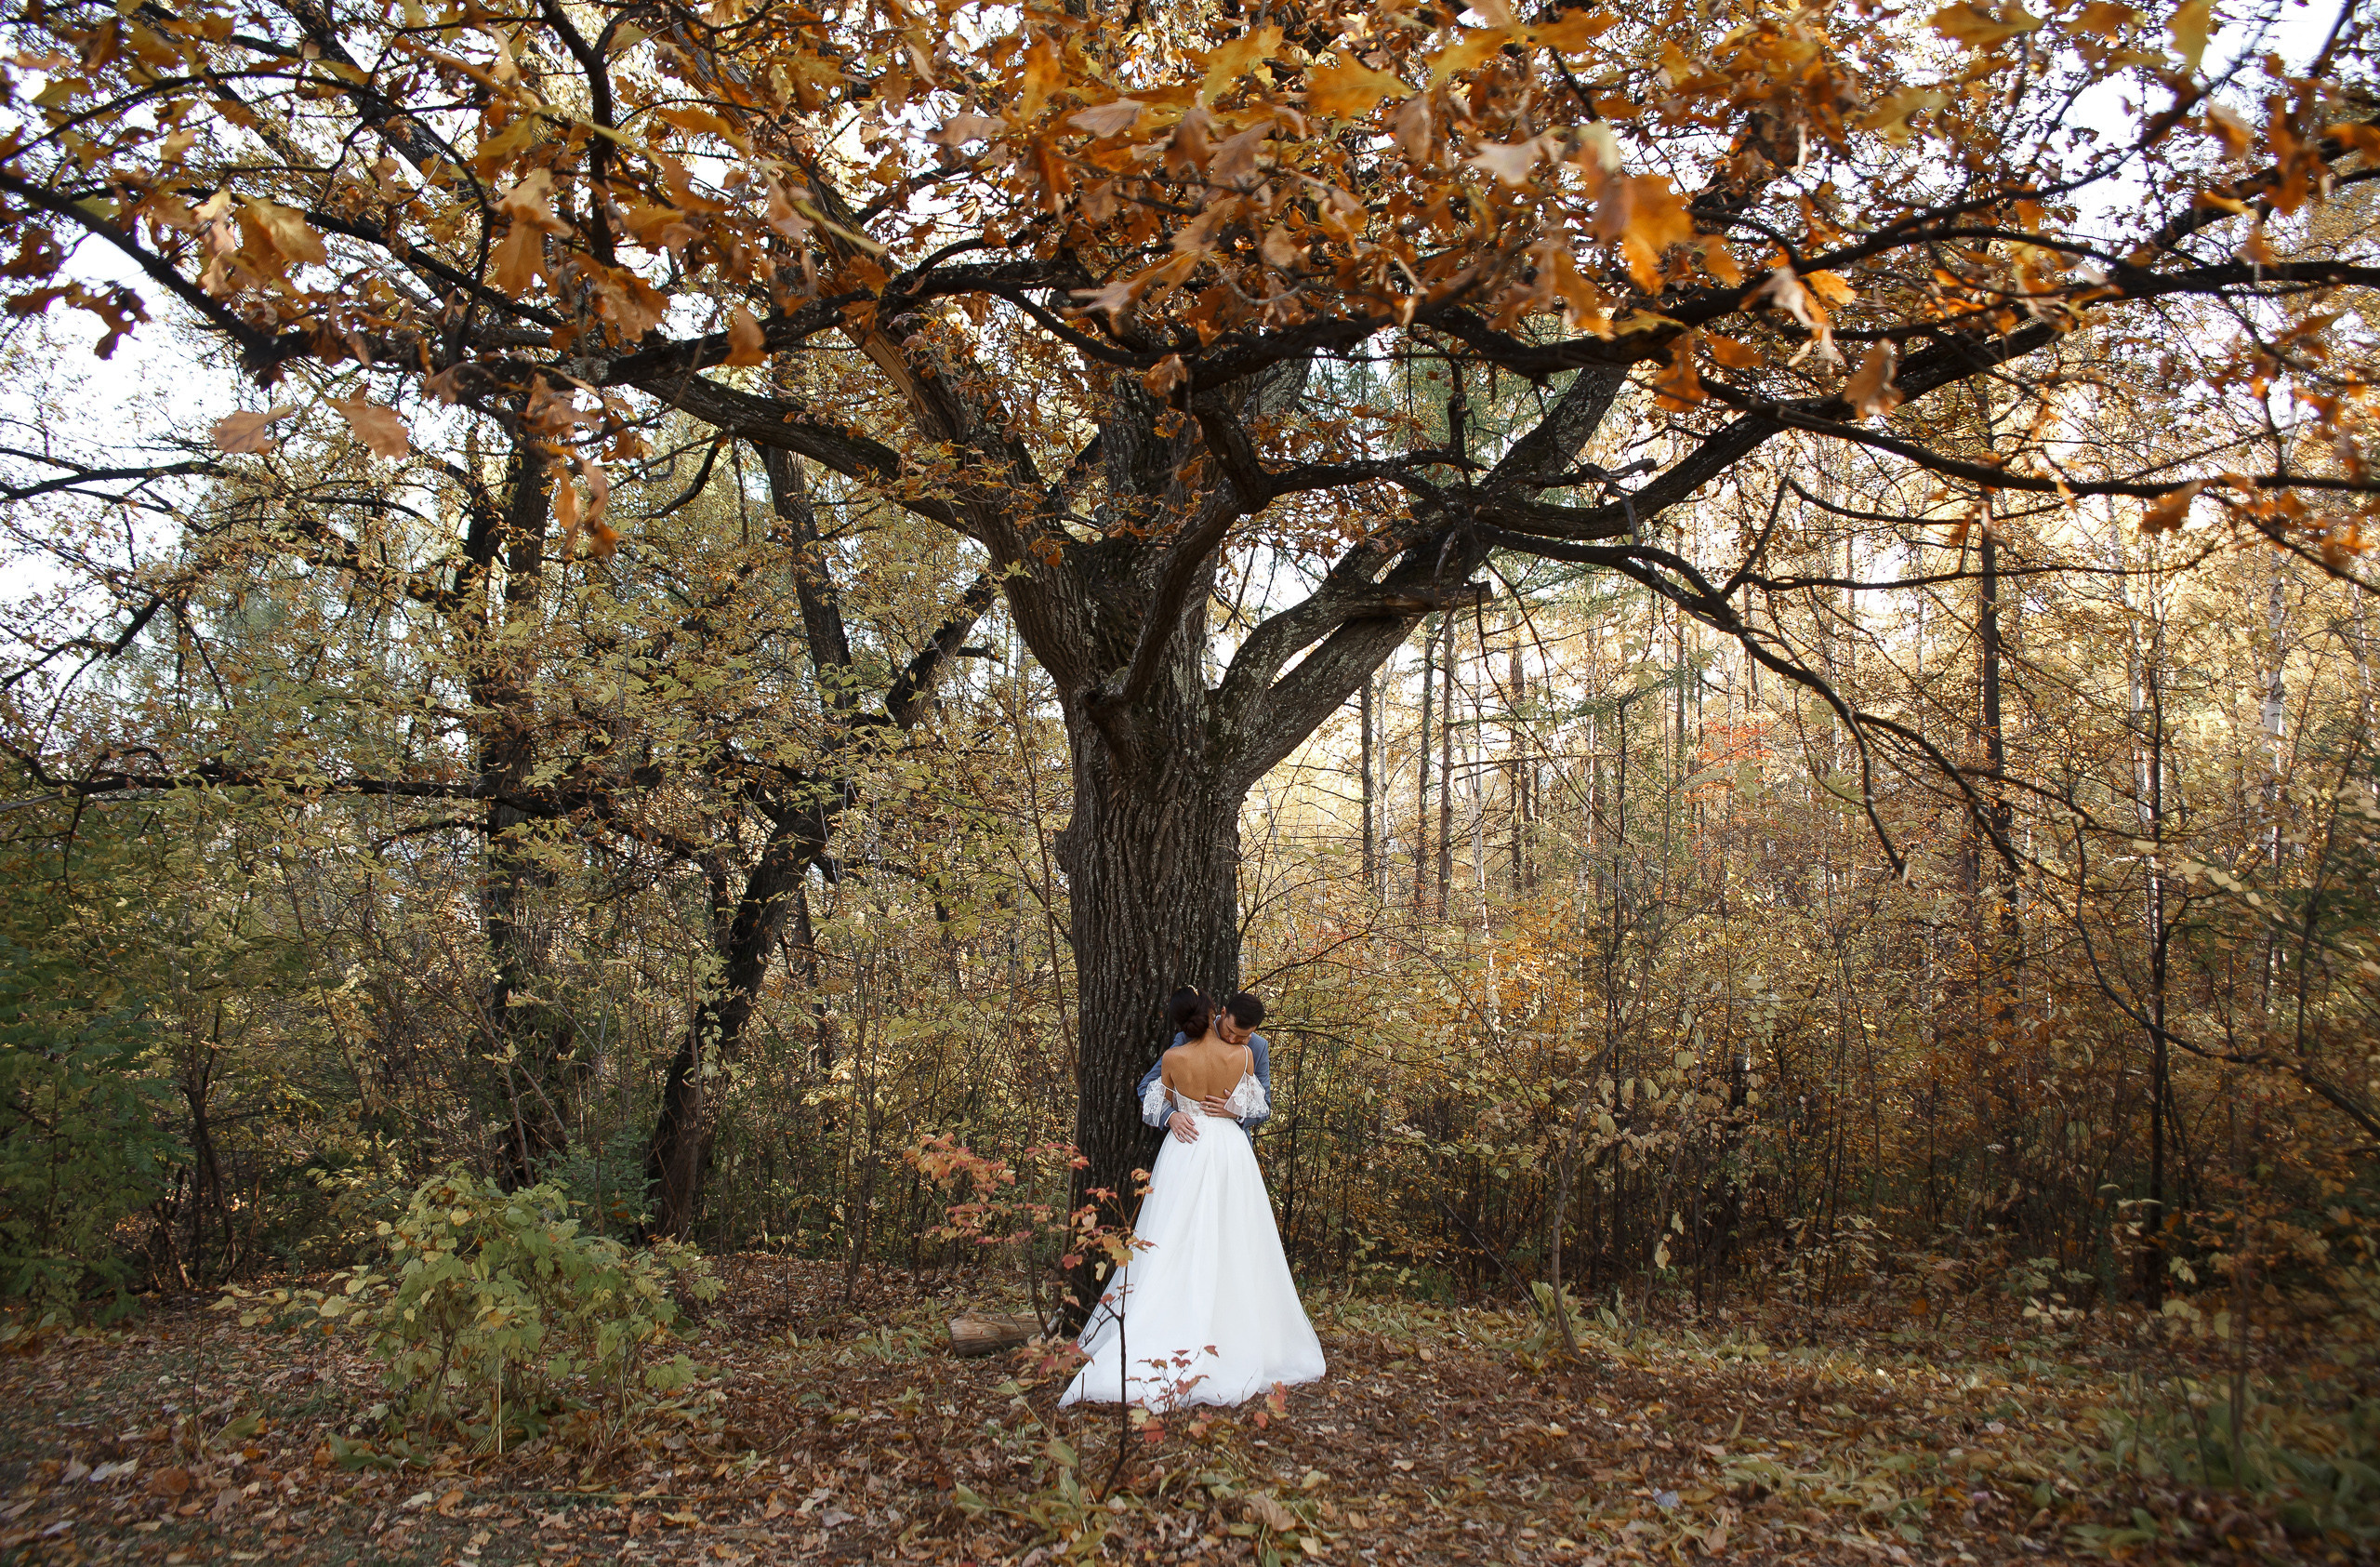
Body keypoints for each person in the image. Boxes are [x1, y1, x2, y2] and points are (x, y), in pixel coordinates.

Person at [1060, 988, 1325, 1409]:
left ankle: (1226, 1327)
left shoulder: (1250, 1048)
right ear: (1219, 1016)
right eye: (1235, 1033)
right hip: (1201, 1143)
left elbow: (1262, 1106)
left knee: (1232, 1237)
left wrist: (1235, 1110)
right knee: (1178, 1233)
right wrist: (1173, 1114)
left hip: (1222, 1149)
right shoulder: (1195, 1049)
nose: (1239, 1041)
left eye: (1246, 1036)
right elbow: (1150, 1090)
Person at [1133, 989, 1271, 1145]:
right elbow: (1146, 1086)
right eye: (1230, 1031)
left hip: (1232, 1143)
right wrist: (1170, 1116)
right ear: (1223, 1013)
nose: (1233, 1040)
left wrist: (1236, 1112)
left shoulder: (1257, 1047)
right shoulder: (1188, 1038)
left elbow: (1264, 1106)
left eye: (1242, 1036)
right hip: (1190, 1139)